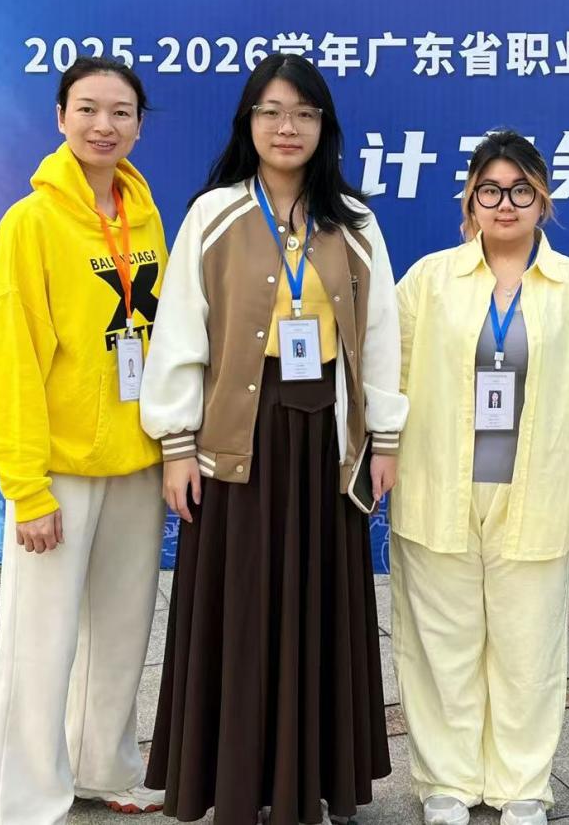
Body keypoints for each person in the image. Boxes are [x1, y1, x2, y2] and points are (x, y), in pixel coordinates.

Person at [139, 54, 407, 825]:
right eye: (271, 111)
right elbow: (180, 332)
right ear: (248, 122)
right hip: (238, 437)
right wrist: (177, 444)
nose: (287, 127)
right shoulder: (214, 214)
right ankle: (236, 781)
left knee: (320, 605)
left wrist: (384, 436)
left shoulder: (354, 222)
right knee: (241, 605)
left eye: (304, 113)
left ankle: (312, 780)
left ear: (325, 126)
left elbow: (380, 332)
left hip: (325, 436)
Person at [392, 130, 569, 825]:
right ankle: (447, 781)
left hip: (538, 486)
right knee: (441, 643)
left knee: (528, 647)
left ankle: (522, 785)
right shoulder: (430, 280)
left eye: (520, 190)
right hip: (439, 484)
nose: (505, 204)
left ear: (543, 199)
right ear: (470, 200)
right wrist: (382, 459)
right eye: (490, 190)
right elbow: (390, 380)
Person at [0, 56, 168, 822]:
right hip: (58, 467)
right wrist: (27, 489)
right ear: (60, 116)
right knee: (40, 641)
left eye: (121, 111)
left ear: (139, 124)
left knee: (122, 631)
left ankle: (104, 767)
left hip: (137, 461)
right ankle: (26, 799)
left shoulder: (145, 215)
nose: (104, 125)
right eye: (88, 108)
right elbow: (14, 361)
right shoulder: (30, 221)